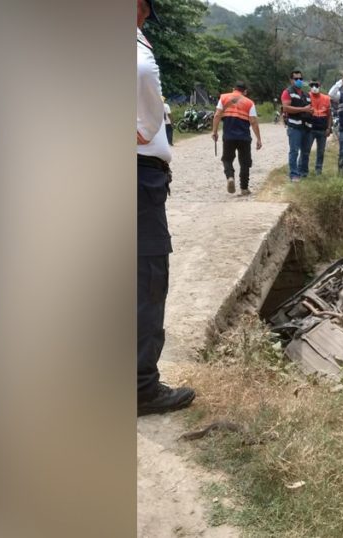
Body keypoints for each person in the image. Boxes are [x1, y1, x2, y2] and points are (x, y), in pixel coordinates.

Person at [137, 0, 195, 416]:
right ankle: (140, 388)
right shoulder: (139, 57)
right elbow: (145, 128)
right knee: (146, 277)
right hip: (138, 178)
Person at [211, 82, 262, 196]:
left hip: (228, 136)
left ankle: (230, 177)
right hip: (244, 137)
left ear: (233, 89)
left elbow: (218, 115)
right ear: (245, 91)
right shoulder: (249, 103)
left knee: (227, 159)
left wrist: (214, 131)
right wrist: (258, 139)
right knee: (245, 162)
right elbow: (253, 121)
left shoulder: (223, 98)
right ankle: (244, 188)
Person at [280, 70, 313, 182]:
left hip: (306, 127)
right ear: (291, 80)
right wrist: (303, 109)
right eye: (296, 79)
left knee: (306, 152)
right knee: (294, 151)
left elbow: (310, 107)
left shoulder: (306, 94)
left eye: (300, 79)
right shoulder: (287, 92)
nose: (299, 81)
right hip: (294, 127)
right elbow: (286, 108)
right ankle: (294, 174)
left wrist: (311, 111)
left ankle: (303, 173)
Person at [304, 79, 332, 176]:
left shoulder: (326, 98)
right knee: (306, 150)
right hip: (310, 129)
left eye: (316, 85)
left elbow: (329, 114)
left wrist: (329, 128)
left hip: (322, 129)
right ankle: (304, 171)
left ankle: (318, 171)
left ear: (320, 86)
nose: (314, 87)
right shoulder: (306, 96)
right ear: (310, 86)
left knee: (321, 152)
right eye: (312, 85)